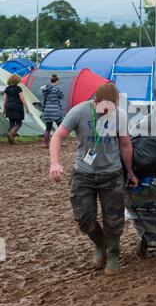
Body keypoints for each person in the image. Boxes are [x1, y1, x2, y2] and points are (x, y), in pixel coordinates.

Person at [49, 82, 138, 276]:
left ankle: (113, 254)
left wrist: (130, 172)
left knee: (113, 219)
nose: (108, 113)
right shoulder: (79, 112)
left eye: (111, 109)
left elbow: (125, 144)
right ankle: (100, 244)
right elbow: (58, 137)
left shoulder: (120, 116)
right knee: (84, 218)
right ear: (95, 101)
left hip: (111, 173)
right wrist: (55, 163)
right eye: (104, 109)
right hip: (83, 173)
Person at [3, 74, 29, 144]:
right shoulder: (18, 88)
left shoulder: (7, 88)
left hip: (9, 106)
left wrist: (4, 108)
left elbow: (5, 99)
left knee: (11, 123)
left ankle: (11, 140)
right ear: (17, 80)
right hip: (17, 106)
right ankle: (11, 134)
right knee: (19, 123)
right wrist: (27, 108)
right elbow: (22, 99)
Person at [41, 74, 64, 147]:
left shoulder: (45, 89)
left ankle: (46, 143)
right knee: (60, 126)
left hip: (47, 110)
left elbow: (44, 96)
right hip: (55, 110)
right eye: (58, 81)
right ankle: (60, 142)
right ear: (56, 81)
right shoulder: (57, 89)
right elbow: (61, 96)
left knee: (48, 127)